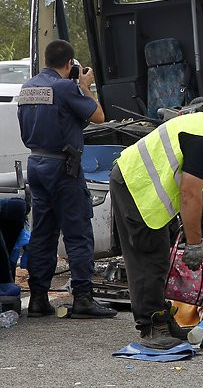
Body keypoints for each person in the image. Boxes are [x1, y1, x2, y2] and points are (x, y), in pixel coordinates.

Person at [110, 109, 203, 349]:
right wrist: (194, 244)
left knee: (159, 256)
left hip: (138, 183)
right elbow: (190, 194)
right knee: (147, 257)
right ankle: (150, 326)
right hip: (135, 185)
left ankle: (159, 316)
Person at [16, 39, 116, 318]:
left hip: (36, 163)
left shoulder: (28, 88)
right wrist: (85, 86)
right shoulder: (64, 87)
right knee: (77, 232)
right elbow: (98, 116)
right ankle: (83, 299)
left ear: (46, 60)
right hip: (63, 168)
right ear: (70, 63)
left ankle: (37, 298)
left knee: (43, 233)